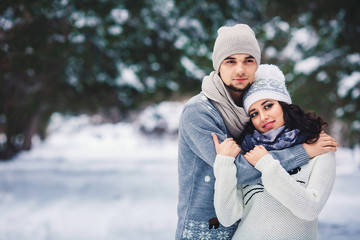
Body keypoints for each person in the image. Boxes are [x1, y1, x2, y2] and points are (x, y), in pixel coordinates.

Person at [176, 24, 337, 240]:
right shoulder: (199, 112)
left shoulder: (249, 116)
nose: (240, 70)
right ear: (218, 66)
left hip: (238, 229)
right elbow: (240, 170)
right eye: (230, 61)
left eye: (248, 60)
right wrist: (303, 152)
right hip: (204, 229)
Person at [212, 64, 336, 239]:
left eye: (268, 106)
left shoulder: (319, 148)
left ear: (284, 105)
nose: (263, 117)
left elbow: (310, 209)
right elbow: (227, 217)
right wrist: (224, 165)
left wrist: (267, 164)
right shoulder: (248, 154)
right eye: (254, 114)